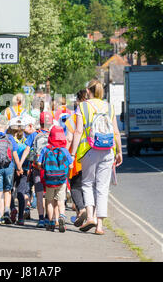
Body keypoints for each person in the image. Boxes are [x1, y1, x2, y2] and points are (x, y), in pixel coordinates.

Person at [69, 80, 123, 235]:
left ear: (87, 91)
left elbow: (78, 131)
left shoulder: (83, 106)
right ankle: (100, 226)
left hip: (89, 150)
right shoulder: (109, 107)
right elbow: (116, 132)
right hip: (107, 150)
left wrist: (72, 154)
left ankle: (90, 216)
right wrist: (119, 152)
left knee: (87, 184)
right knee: (102, 188)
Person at [19, 111, 53, 228]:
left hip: (36, 168)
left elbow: (27, 150)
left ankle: (41, 219)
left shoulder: (34, 134)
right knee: (49, 195)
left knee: (39, 194)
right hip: (50, 169)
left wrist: (20, 163)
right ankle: (51, 218)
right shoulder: (53, 134)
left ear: (40, 122)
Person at [37, 126, 73, 232]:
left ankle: (52, 221)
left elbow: (39, 164)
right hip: (61, 180)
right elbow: (71, 165)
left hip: (49, 180)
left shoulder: (46, 149)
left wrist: (43, 167)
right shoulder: (64, 150)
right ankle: (61, 217)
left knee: (49, 201)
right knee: (60, 201)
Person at [65, 89, 88, 227]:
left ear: (79, 101)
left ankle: (81, 209)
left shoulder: (73, 117)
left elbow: (69, 138)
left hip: (78, 156)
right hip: (94, 155)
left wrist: (67, 155)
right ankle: (90, 215)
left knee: (75, 186)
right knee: (89, 187)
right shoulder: (95, 115)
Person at [8, 117, 30, 225]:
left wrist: (17, 166)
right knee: (21, 192)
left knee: (10, 190)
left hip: (11, 168)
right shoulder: (26, 141)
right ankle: (21, 217)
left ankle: (12, 208)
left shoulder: (10, 140)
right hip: (24, 169)